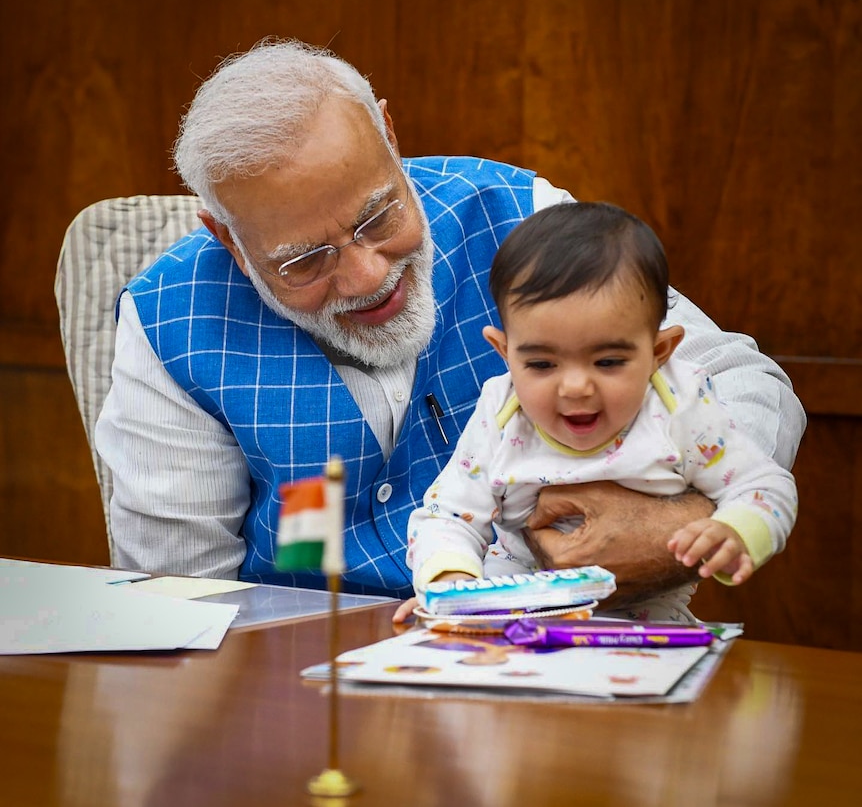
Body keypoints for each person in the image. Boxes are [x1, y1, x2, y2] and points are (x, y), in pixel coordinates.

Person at [94, 38, 805, 605]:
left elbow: (744, 380)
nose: (368, 276)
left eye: (379, 216)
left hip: (563, 649)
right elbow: (182, 598)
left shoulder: (518, 213)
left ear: (392, 138)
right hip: (305, 685)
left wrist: (679, 518)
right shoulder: (170, 318)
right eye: (306, 260)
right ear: (229, 241)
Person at [402, 202, 797, 622]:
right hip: (514, 601)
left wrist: (736, 528)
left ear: (659, 352)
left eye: (608, 362)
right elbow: (447, 514)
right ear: (504, 353)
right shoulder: (502, 415)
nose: (575, 387)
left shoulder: (679, 407)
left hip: (644, 614)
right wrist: (449, 582)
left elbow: (766, 485)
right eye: (541, 364)